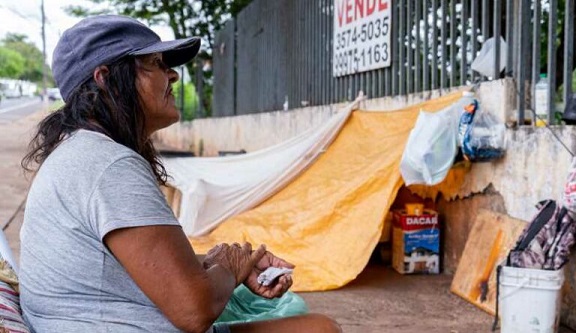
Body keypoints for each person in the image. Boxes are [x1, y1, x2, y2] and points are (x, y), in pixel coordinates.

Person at [19, 15, 341, 333]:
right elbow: (193, 310)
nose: (172, 75)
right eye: (156, 64)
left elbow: (141, 262)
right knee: (320, 329)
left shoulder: (81, 151)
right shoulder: (109, 165)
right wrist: (228, 264)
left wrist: (235, 264)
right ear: (104, 78)